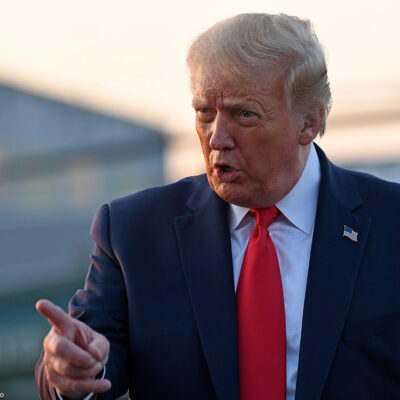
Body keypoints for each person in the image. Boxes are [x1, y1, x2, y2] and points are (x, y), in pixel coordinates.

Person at [36, 13, 400, 400]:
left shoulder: (390, 224)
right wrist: (74, 369)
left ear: (310, 121)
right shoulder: (132, 231)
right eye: (204, 113)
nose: (217, 139)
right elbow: (84, 353)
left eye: (244, 114)